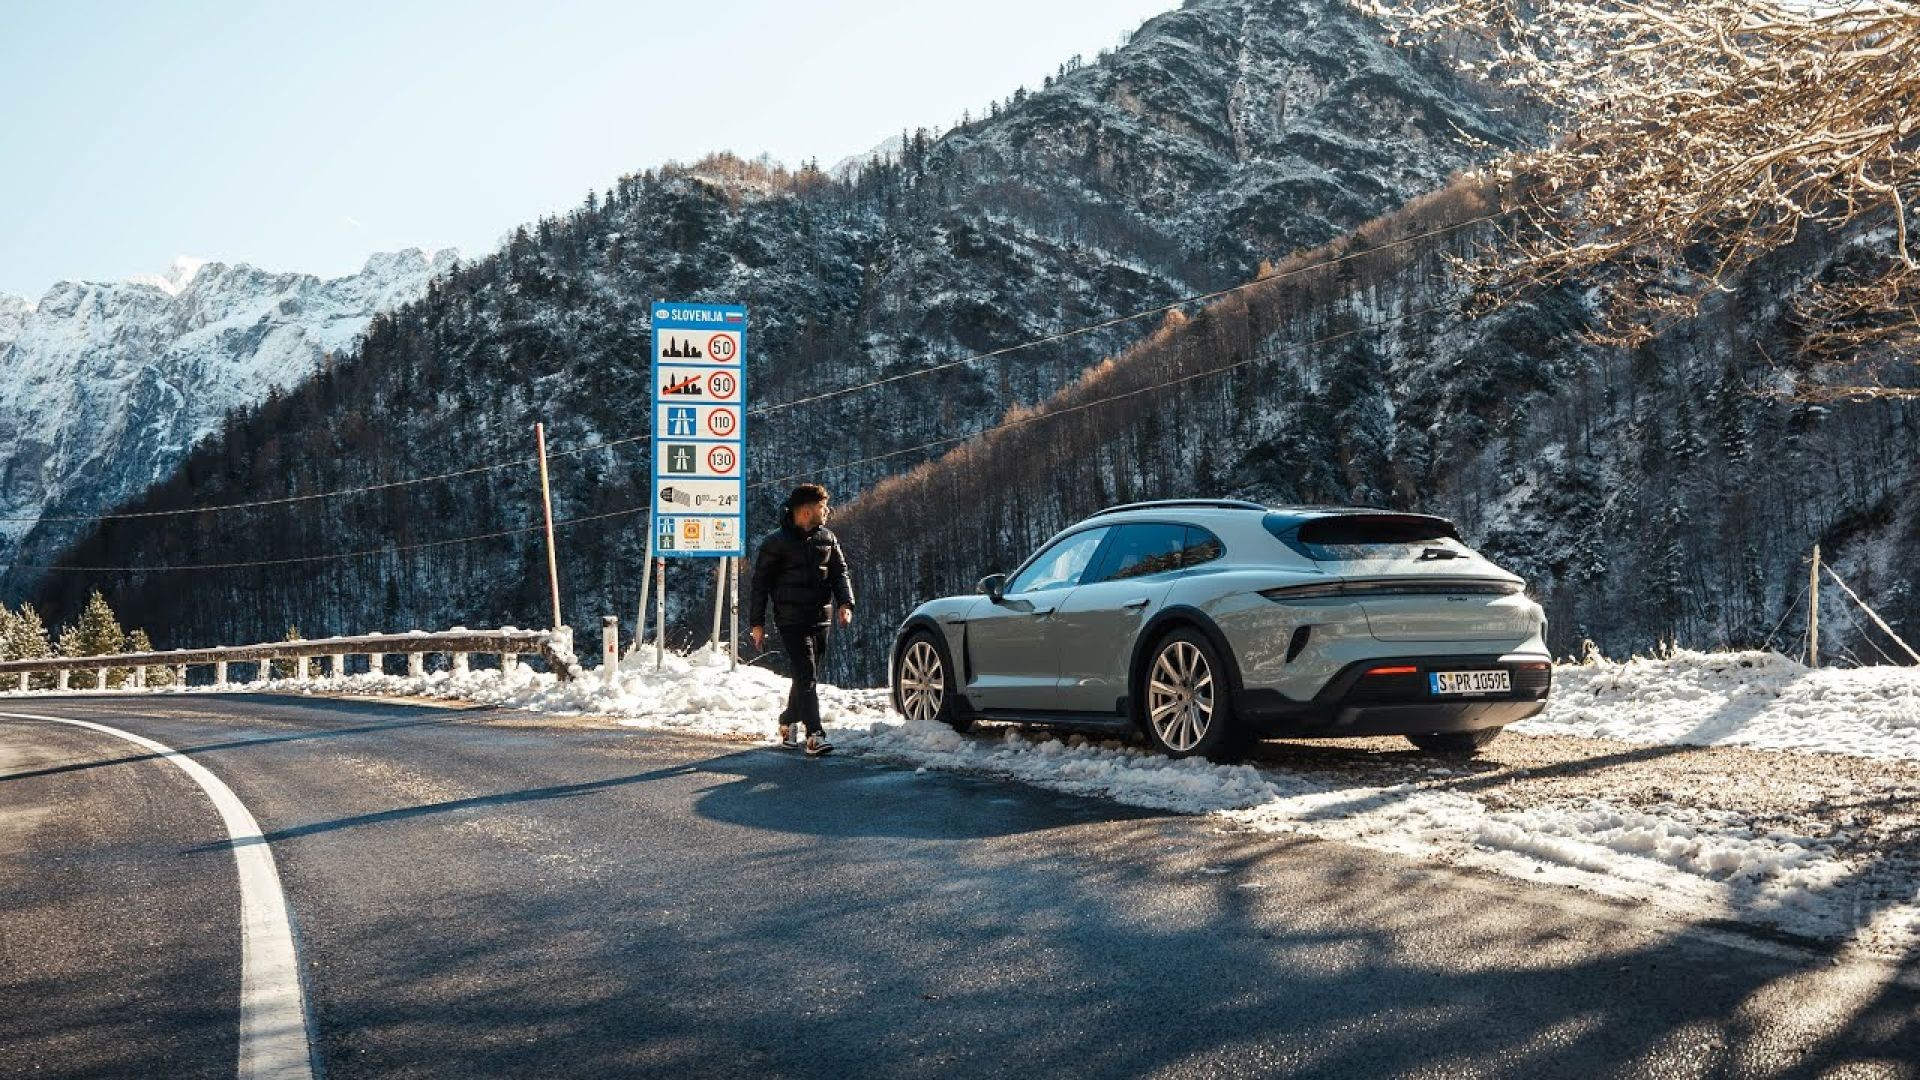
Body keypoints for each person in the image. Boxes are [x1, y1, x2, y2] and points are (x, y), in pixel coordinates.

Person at [748, 483, 855, 756]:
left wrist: (845, 604)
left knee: (805, 676)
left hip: (821, 618)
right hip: (790, 620)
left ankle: (787, 720)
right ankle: (815, 735)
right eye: (822, 507)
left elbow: (839, 573)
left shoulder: (827, 538)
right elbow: (760, 585)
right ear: (806, 511)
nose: (826, 511)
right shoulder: (775, 543)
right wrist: (757, 624)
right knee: (806, 673)